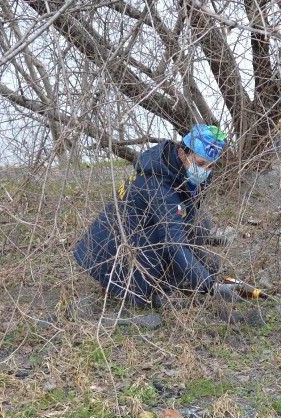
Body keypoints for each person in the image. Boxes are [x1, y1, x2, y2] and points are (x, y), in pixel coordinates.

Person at [73, 124, 237, 309]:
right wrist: (209, 285)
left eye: (210, 166)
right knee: (183, 257)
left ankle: (182, 274)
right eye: (200, 164)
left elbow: (187, 216)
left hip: (141, 230)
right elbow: (173, 241)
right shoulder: (160, 185)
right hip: (115, 250)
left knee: (204, 240)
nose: (205, 171)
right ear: (182, 153)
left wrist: (203, 266)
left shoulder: (176, 168)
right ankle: (157, 291)